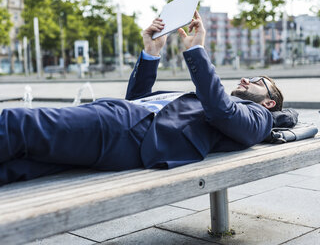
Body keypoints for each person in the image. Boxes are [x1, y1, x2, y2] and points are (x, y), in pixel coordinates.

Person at [0, 11, 283, 186]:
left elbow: (223, 113)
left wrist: (196, 52)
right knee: (19, 166)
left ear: (269, 101)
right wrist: (152, 52)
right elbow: (138, 99)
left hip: (132, 130)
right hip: (127, 120)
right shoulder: (217, 101)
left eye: (258, 81)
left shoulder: (259, 117)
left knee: (17, 123)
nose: (246, 79)